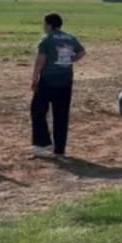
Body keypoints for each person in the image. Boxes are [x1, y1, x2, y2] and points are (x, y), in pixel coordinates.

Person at [30, 13, 86, 158]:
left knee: (37, 109)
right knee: (61, 115)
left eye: (44, 24)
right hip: (66, 80)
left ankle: (43, 143)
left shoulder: (46, 41)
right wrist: (71, 59)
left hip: (48, 80)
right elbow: (82, 52)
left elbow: (40, 61)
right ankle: (60, 149)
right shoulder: (70, 38)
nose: (44, 27)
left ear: (49, 25)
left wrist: (34, 78)